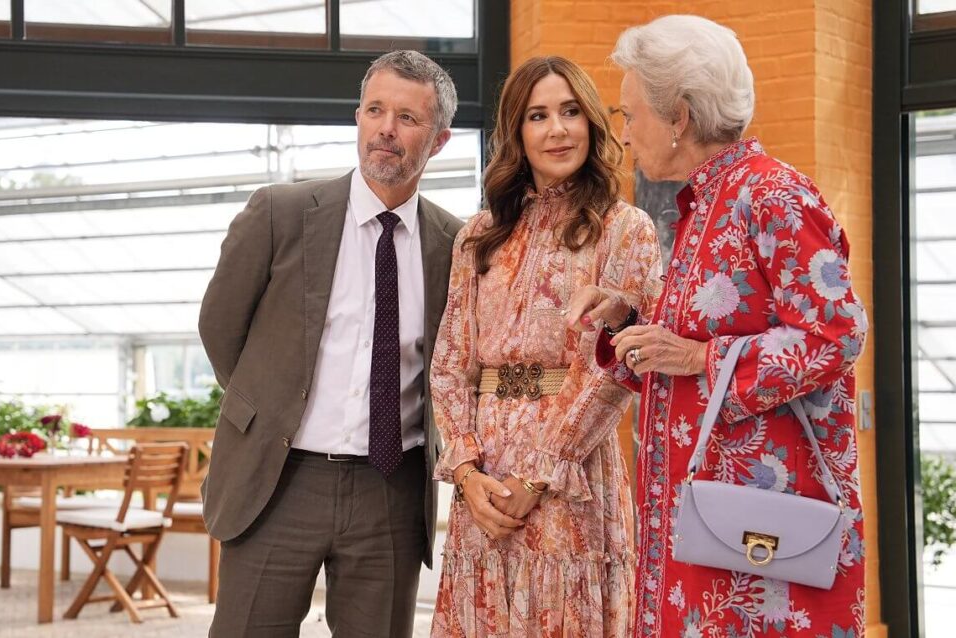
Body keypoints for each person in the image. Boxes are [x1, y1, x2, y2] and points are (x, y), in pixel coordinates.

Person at [569, 15, 869, 637]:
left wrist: (704, 359)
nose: (623, 136)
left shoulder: (773, 196)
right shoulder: (705, 202)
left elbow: (837, 333)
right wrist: (631, 322)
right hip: (706, 537)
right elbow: (693, 343)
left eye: (630, 115)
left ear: (678, 115)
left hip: (759, 545)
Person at [199, 50, 464, 637]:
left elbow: (454, 363)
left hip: (390, 491)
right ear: (358, 117)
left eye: (408, 118)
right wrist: (267, 410)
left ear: (440, 140)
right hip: (278, 480)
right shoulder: (280, 214)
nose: (387, 130)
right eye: (375, 110)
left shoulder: (456, 244)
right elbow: (220, 328)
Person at [430, 55, 662, 637]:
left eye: (570, 112)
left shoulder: (624, 228)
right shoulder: (477, 237)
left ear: (591, 122)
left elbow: (614, 371)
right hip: (482, 480)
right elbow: (451, 364)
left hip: (569, 475)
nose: (557, 129)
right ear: (516, 132)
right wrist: (466, 472)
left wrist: (539, 474)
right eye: (538, 115)